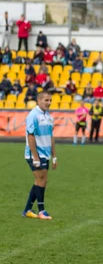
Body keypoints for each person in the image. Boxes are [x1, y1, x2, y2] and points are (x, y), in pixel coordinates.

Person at [22, 91, 56, 220]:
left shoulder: (49, 117)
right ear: (39, 101)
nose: (49, 103)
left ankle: (27, 210)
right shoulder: (33, 115)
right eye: (46, 100)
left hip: (45, 153)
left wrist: (54, 156)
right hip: (35, 154)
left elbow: (51, 137)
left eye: (50, 100)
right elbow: (30, 136)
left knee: (41, 181)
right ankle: (42, 211)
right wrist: (35, 156)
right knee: (41, 180)